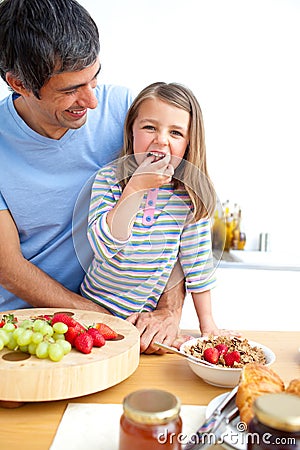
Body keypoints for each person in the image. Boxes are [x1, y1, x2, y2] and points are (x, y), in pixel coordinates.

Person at [0, 0, 186, 354]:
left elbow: (175, 209)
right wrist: (102, 320)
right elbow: (7, 266)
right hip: (27, 329)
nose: (92, 101)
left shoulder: (130, 113)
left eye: (94, 78)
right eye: (71, 89)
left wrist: (168, 310)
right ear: (19, 83)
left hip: (120, 330)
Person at [81, 81, 227, 337]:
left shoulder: (190, 198)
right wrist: (135, 187)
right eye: (150, 128)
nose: (161, 140)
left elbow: (198, 264)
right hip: (92, 315)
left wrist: (208, 326)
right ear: (131, 132)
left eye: (176, 133)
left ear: (189, 143)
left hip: (143, 324)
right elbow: (103, 247)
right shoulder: (108, 179)